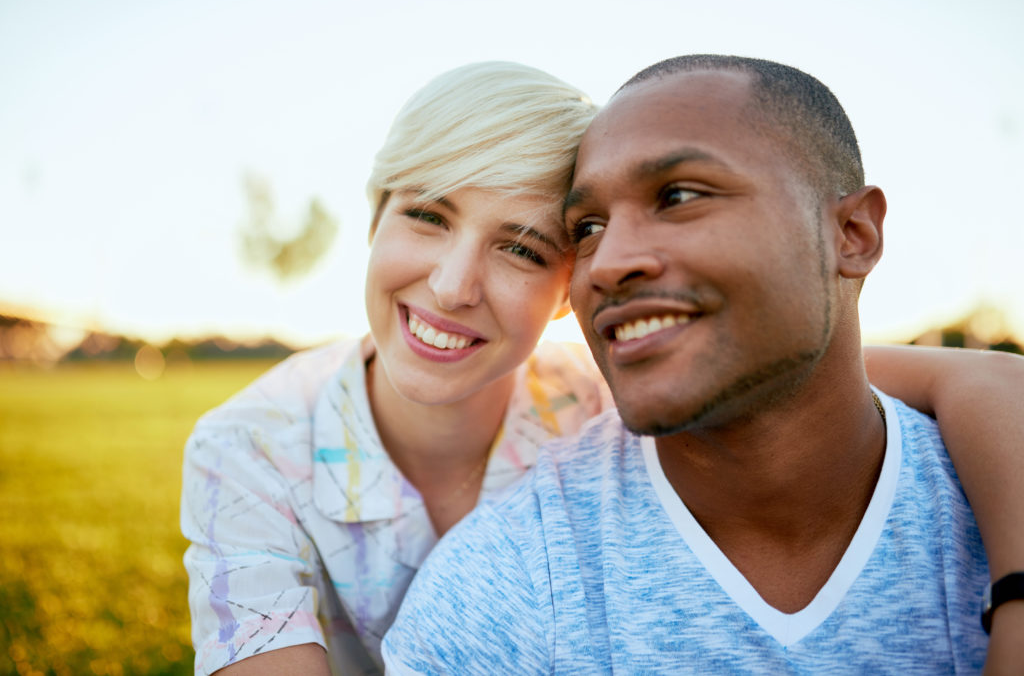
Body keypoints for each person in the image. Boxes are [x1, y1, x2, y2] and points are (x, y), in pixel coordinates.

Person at [183, 61, 1024, 676]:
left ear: (561, 292)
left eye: (523, 246)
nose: (450, 284)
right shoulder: (251, 450)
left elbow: (825, 370)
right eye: (426, 216)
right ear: (374, 218)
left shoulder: (601, 394)